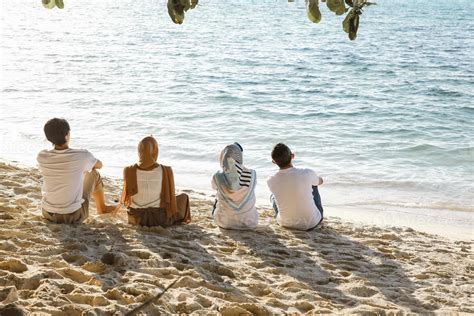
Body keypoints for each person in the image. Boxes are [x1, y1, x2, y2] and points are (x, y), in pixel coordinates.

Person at [37, 118, 116, 224]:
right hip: (73, 215)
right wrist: (83, 168)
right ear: (67, 135)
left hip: (47, 213)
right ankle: (102, 208)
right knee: (93, 173)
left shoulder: (42, 156)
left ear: (48, 138)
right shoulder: (82, 155)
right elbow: (99, 165)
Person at [121, 136, 191, 227]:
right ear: (155, 151)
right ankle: (182, 221)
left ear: (139, 151)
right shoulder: (166, 170)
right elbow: (171, 199)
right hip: (159, 219)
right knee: (184, 197)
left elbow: (127, 199)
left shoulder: (128, 170)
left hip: (136, 218)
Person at [266, 143, 324, 231]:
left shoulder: (270, 180)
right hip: (312, 223)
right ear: (292, 156)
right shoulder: (307, 172)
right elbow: (320, 181)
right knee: (314, 185)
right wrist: (317, 178)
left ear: (274, 161)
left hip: (285, 223)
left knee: (273, 196)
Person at [211, 143, 258, 230]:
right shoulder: (252, 174)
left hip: (225, 223)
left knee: (218, 196)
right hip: (250, 222)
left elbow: (214, 187)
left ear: (223, 157)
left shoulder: (217, 176)